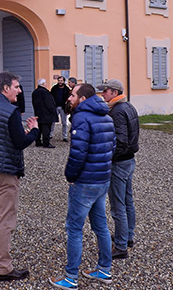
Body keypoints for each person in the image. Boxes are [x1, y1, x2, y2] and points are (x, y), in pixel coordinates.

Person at [50, 83, 116, 289]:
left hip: (85, 182)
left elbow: (78, 153)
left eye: (72, 95)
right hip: (102, 180)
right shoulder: (106, 116)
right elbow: (112, 147)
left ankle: (71, 278)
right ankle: (104, 269)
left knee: (74, 229)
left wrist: (70, 175)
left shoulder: (80, 117)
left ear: (83, 99)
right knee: (101, 226)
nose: (69, 98)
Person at [0, 72, 39, 282]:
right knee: (6, 218)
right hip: (5, 170)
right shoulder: (11, 112)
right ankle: (5, 267)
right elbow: (20, 142)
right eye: (17, 87)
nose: (19, 91)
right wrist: (34, 131)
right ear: (5, 89)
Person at [97, 79, 139, 260]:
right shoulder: (128, 107)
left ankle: (121, 245)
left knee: (117, 205)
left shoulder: (117, 111)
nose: (103, 94)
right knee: (127, 200)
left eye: (105, 91)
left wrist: (108, 156)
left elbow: (121, 141)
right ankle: (127, 236)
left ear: (114, 92)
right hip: (129, 160)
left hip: (120, 163)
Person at [32, 78, 58, 148]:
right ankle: (46, 143)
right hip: (46, 114)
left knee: (39, 128)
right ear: (43, 84)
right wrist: (52, 110)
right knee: (46, 129)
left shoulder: (35, 92)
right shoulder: (45, 92)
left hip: (38, 113)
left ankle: (38, 141)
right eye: (45, 83)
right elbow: (49, 103)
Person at [51, 76, 71, 142]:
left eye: (61, 81)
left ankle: (64, 136)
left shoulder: (67, 89)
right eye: (59, 80)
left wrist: (68, 108)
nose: (60, 82)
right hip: (55, 107)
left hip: (63, 107)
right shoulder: (54, 88)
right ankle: (50, 135)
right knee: (52, 122)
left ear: (63, 81)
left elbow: (69, 100)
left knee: (64, 123)